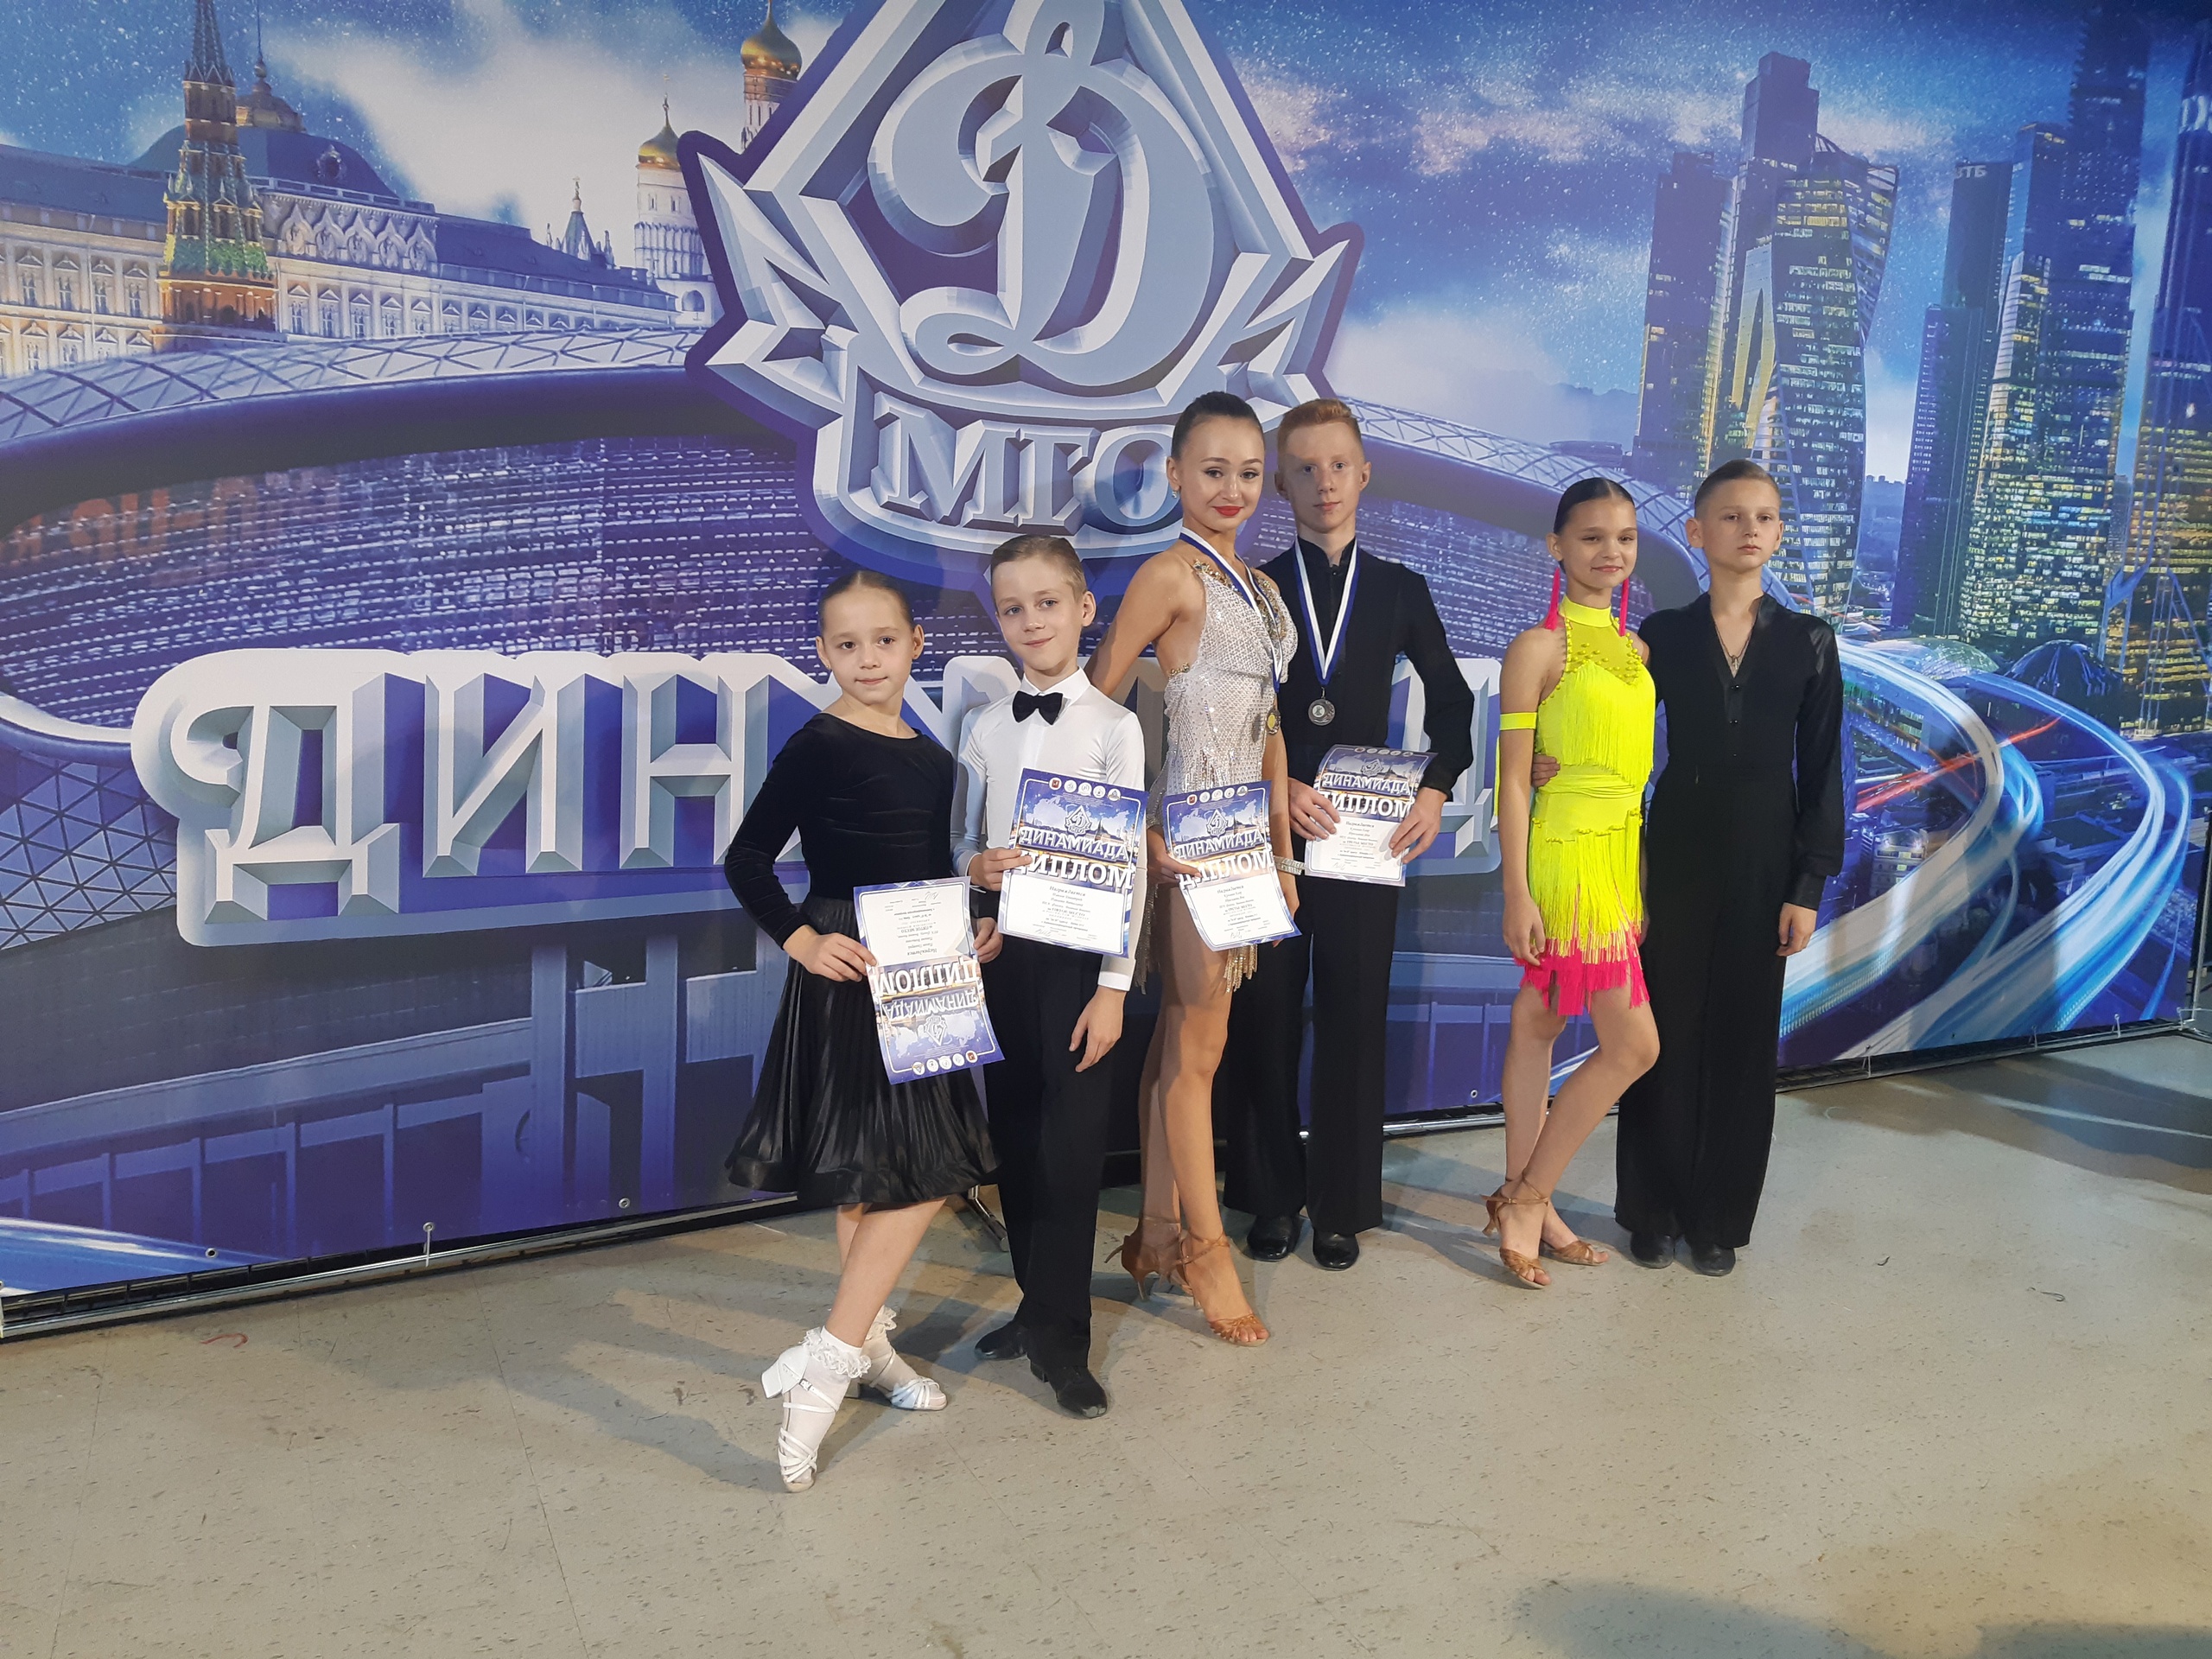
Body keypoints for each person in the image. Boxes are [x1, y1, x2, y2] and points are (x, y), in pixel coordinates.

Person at [720, 569, 1001, 1491]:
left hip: (925, 968)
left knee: (900, 1171)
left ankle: (861, 1350)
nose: (867, 659)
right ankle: (839, 1357)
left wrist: (976, 920)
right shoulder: (818, 745)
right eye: (847, 645)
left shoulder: (935, 759)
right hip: (852, 970)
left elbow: (937, 865)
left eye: (884, 640)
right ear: (823, 653)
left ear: (916, 643)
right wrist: (801, 939)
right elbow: (747, 856)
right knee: (893, 1170)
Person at [1218, 398, 1475, 1271]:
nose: (1323, 483)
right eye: (1304, 468)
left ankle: (1341, 1204)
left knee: (1355, 1020)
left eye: (1338, 465)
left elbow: (1453, 703)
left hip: (1365, 840)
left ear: (1364, 475)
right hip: (1271, 832)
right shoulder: (1253, 589)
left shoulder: (1401, 589)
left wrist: (1435, 790)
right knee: (1264, 1018)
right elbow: (1228, 714)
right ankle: (1268, 1195)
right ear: (1280, 485)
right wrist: (1277, 785)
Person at [1085, 389, 1298, 1345]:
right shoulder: (1168, 576)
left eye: (1248, 473)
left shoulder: (1263, 590)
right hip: (1188, 843)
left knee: (1182, 1038)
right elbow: (1096, 705)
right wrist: (1137, 829)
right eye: (1213, 471)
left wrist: (1283, 853)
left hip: (1246, 845)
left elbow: (1271, 729)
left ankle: (1156, 1232)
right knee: (1197, 1051)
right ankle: (1207, 1252)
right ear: (1174, 475)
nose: (1231, 489)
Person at [1612, 459, 1843, 1275]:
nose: (1751, 530)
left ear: (1778, 533)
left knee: (1743, 1043)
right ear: (1697, 531)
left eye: (1766, 517)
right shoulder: (1663, 635)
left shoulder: (1811, 641)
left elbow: (1823, 771)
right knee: (1663, 1034)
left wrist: (1807, 885)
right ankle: (1651, 1209)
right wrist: (1552, 765)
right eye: (1733, 516)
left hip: (1765, 860)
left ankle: (1717, 1221)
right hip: (1675, 850)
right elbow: (1620, 742)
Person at [953, 533, 1145, 1417]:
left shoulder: (1115, 727)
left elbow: (1129, 869)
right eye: (1013, 608)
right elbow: (963, 841)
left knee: (1070, 1154)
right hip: (1007, 957)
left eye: (1047, 603)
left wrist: (1114, 986)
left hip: (1081, 962)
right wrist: (976, 872)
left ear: (1083, 609)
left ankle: (1066, 1341)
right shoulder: (985, 728)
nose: (1031, 621)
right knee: (1019, 1143)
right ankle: (1035, 1307)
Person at [1490, 477, 1661, 1288]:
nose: (1611, 552)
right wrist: (1516, 891)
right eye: (1592, 537)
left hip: (1617, 863)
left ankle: (1531, 1200)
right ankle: (1527, 1198)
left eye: (1625, 537)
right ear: (1557, 547)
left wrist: (1639, 884)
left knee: (1539, 1022)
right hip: (1563, 860)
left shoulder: (1640, 653)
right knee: (1634, 1045)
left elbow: (1633, 780)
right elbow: (1514, 779)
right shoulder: (1537, 648)